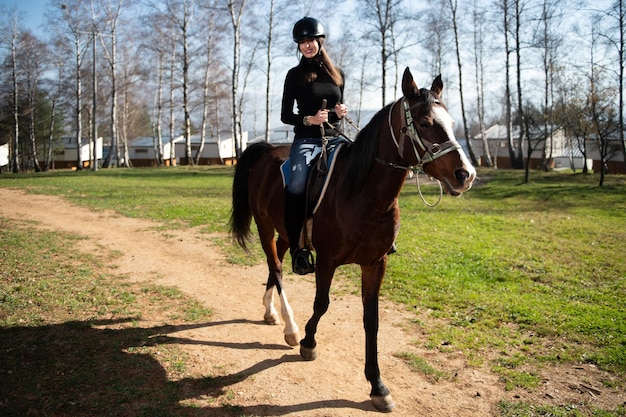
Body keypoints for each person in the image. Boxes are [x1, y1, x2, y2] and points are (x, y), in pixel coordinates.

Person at [281, 16, 348, 275]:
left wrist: (339, 112)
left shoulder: (337, 74)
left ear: (320, 42)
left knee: (361, 169)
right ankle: (298, 250)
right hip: (307, 141)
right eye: (302, 42)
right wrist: (309, 119)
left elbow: (337, 107)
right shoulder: (295, 75)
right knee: (296, 185)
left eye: (311, 41)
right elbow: (286, 116)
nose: (307, 45)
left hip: (336, 138)